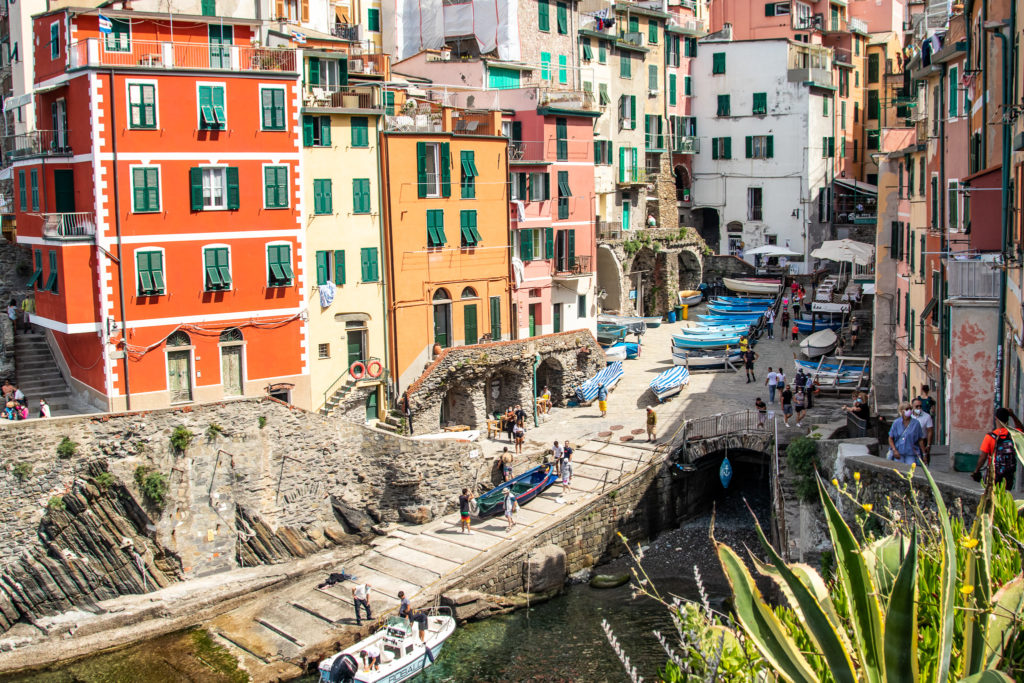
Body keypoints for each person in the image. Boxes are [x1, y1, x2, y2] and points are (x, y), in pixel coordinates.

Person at [972, 407, 1023, 490]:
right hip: (1008, 474)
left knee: (992, 496)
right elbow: (1021, 430)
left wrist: (976, 470)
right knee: (1006, 494)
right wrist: (1013, 415)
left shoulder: (990, 437)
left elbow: (983, 458)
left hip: (994, 474)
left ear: (996, 419)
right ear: (1007, 419)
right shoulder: (1012, 435)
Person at [912, 399, 934, 464]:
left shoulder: (927, 417)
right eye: (917, 406)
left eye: (920, 406)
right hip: (911, 441)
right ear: (912, 406)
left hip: (923, 441)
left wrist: (929, 444)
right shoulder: (909, 416)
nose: (919, 408)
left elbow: (930, 431)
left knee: (922, 462)